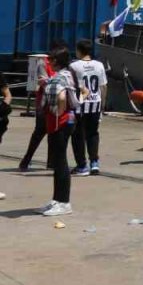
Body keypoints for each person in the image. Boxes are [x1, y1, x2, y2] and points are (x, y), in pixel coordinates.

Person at [39, 46, 79, 216]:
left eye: (51, 60)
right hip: (66, 122)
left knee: (60, 161)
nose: (49, 62)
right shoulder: (68, 74)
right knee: (58, 161)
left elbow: (61, 97)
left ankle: (63, 202)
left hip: (59, 123)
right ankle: (57, 199)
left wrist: (58, 112)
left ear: (56, 61)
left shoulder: (60, 77)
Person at [18, 44, 59, 172]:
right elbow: (43, 81)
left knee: (53, 134)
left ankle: (51, 162)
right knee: (39, 133)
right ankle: (26, 159)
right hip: (44, 103)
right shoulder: (43, 63)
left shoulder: (61, 67)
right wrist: (60, 80)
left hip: (56, 103)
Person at [69, 39, 107, 176]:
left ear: (79, 50)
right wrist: (103, 104)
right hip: (95, 103)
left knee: (78, 135)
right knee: (93, 133)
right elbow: (103, 86)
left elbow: (72, 86)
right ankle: (94, 163)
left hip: (80, 104)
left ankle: (81, 165)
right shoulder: (99, 65)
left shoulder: (74, 66)